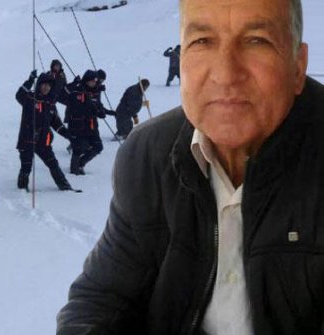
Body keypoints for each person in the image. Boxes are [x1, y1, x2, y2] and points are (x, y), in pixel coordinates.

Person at [57, 0, 318, 334]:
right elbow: (102, 299)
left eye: (256, 40)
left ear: (297, 66)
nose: (225, 74)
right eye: (202, 42)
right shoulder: (147, 155)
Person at [15, 70, 75, 191]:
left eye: (49, 85)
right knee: (26, 166)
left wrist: (69, 135)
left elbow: (56, 124)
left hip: (43, 142)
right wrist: (30, 80)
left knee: (53, 164)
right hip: (27, 141)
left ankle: (65, 187)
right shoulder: (29, 98)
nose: (46, 87)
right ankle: (22, 189)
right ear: (39, 85)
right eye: (43, 84)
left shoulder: (50, 104)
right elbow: (19, 94)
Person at [59, 70, 111, 175]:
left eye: (95, 81)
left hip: (92, 125)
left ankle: (81, 163)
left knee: (98, 146)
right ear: (86, 80)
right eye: (91, 81)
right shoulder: (76, 91)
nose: (93, 83)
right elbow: (62, 97)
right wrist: (73, 84)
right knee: (78, 148)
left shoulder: (95, 92)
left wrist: (101, 112)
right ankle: (74, 169)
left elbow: (98, 106)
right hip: (77, 125)